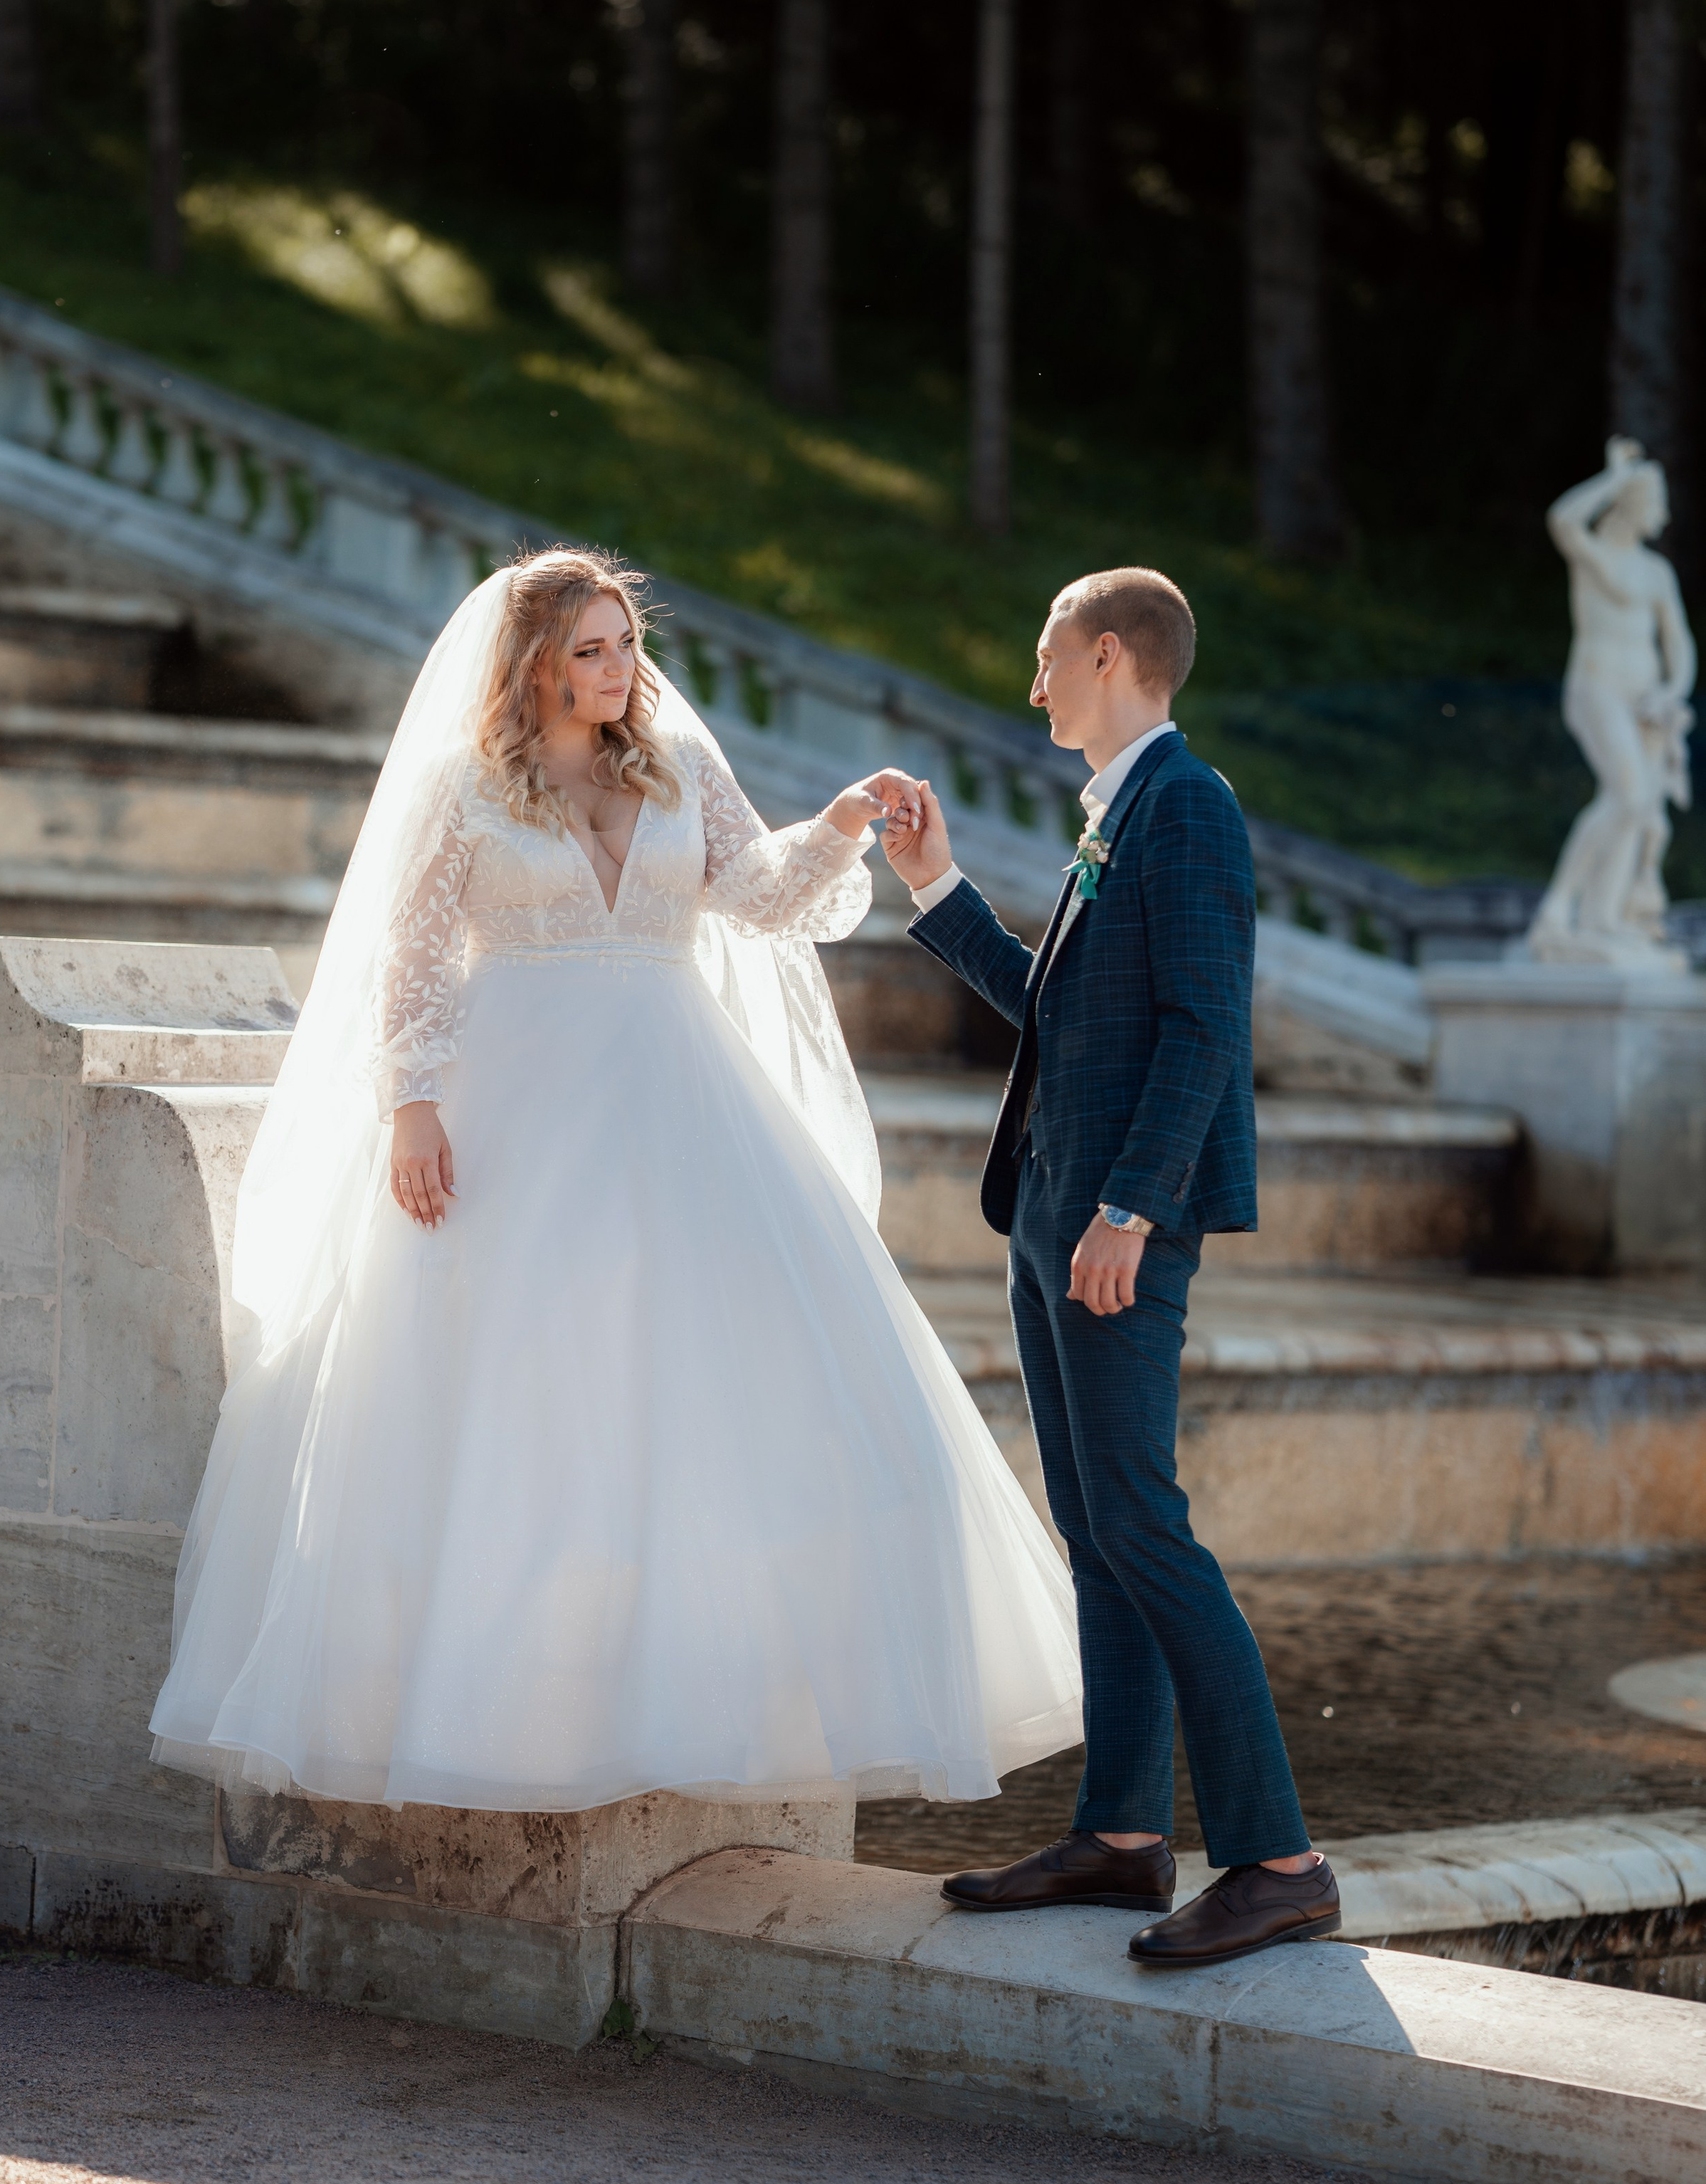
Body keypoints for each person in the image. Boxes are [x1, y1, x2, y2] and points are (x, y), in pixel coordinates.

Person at [149, 547, 1080, 1815]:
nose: (617, 669)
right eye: (589, 649)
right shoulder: (461, 789)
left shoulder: (679, 767)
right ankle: (502, 1706)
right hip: (514, 1101)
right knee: (519, 1395)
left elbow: (756, 895)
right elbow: (409, 961)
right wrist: (411, 1108)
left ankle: (696, 1696)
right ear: (534, 663)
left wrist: (847, 824)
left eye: (624, 645)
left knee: (705, 1383)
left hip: (679, 1096)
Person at [882, 567, 1340, 1969]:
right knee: (1094, 1526)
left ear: (1104, 655)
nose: (1031, 689)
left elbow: (1206, 1031)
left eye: (1042, 661)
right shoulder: (1120, 813)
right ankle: (1124, 1838)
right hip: (1049, 1213)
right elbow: (1057, 1020)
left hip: (1109, 1226)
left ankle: (1275, 1859)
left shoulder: (1184, 807)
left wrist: (1133, 1209)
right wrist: (933, 888)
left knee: (1141, 1523)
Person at [1527, 436, 1696, 965]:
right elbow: (1563, 519)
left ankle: (1602, 917)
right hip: (1597, 686)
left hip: (1644, 698)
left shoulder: (1656, 572)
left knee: (1640, 804)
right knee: (1627, 794)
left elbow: (1680, 644)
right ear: (1630, 504)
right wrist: (1615, 479)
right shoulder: (1594, 555)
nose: (1664, 516)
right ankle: (1556, 909)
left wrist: (1672, 692)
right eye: (1655, 503)